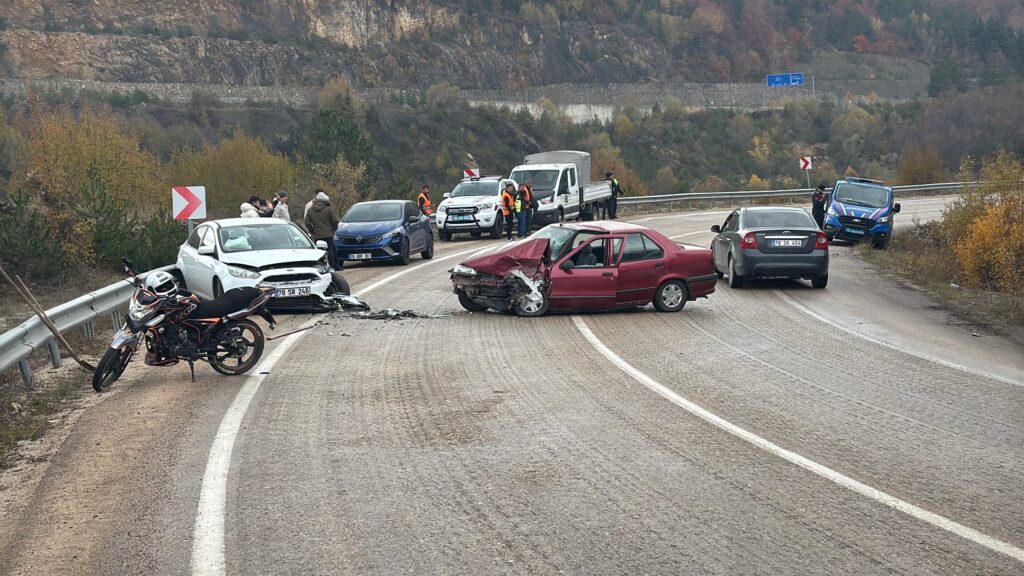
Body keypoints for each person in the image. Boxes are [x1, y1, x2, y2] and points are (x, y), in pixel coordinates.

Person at [305, 191, 340, 269]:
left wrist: (313, 231)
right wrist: (334, 229)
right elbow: (335, 220)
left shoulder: (310, 209)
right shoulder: (329, 209)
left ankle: (321, 268)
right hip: (328, 234)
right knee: (330, 251)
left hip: (317, 235)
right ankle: (332, 268)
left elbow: (307, 222)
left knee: (319, 253)